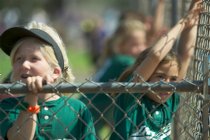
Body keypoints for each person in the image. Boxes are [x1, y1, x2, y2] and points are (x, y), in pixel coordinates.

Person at [110, 0, 202, 139]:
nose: (167, 84)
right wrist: (183, 22)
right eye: (160, 77)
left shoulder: (169, 97)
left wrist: (193, 16)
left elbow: (186, 54)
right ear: (145, 74)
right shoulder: (132, 94)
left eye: (173, 79)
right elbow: (156, 55)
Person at [0, 21, 96, 140]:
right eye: (19, 58)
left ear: (55, 72)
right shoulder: (7, 106)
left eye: (34, 58)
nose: (24, 64)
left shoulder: (77, 109)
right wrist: (31, 97)